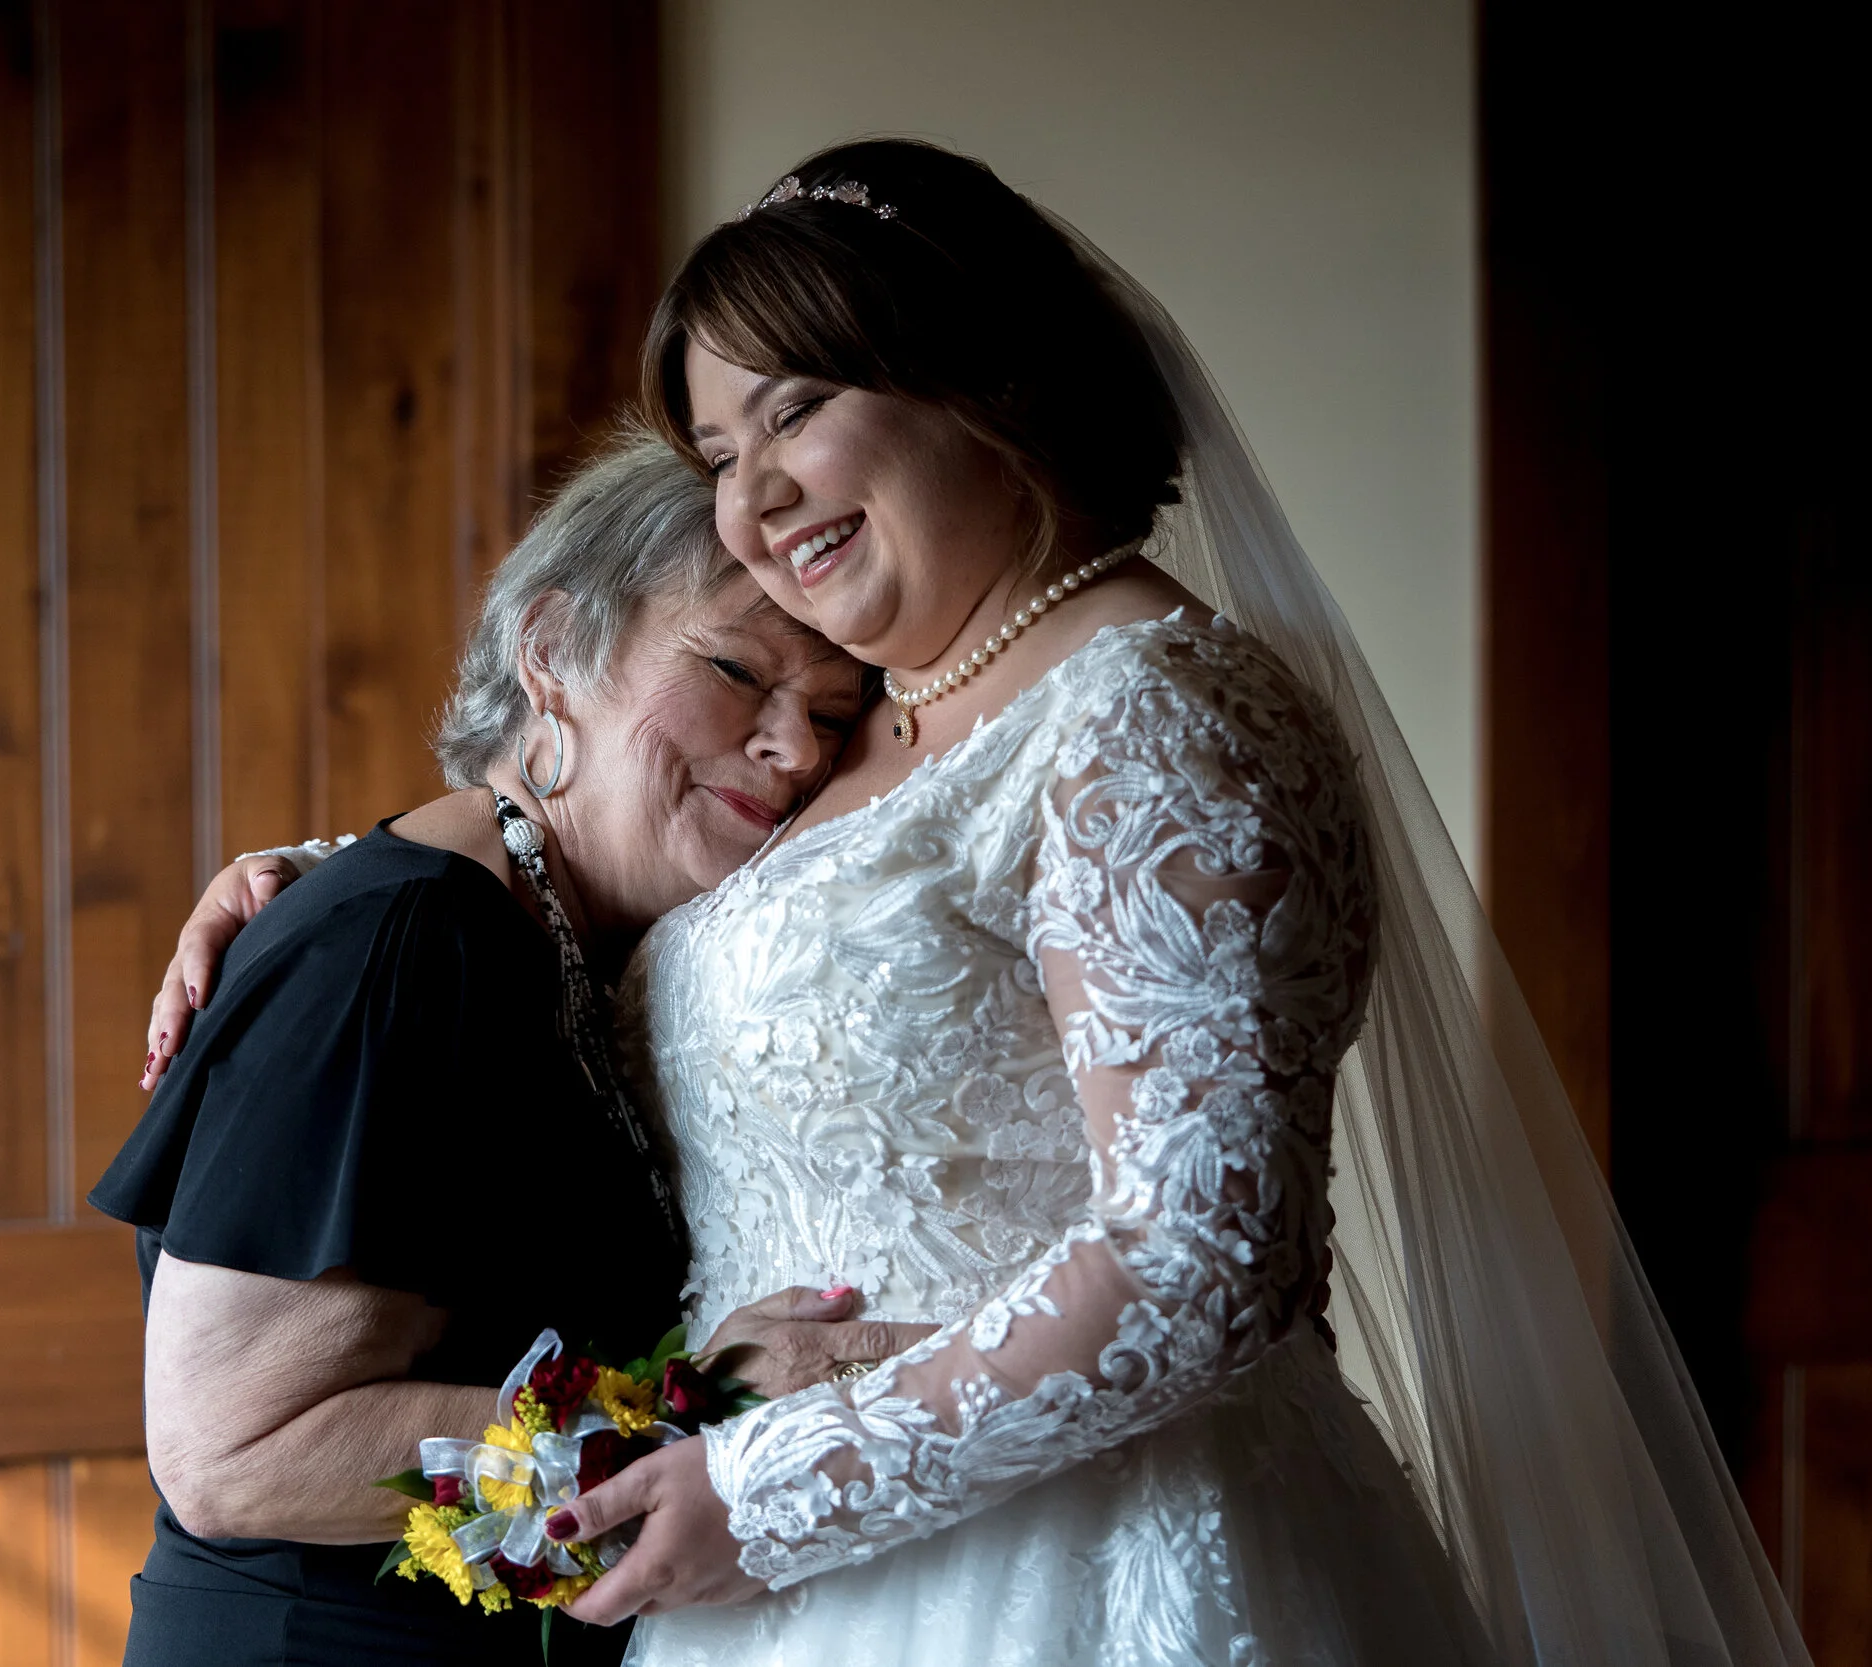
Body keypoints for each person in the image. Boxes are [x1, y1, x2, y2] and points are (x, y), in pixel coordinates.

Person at [149, 142, 1804, 1665]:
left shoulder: (1154, 711)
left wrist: (775, 1488)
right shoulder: (896, 718)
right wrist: (356, 886)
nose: (757, 495)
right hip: (776, 1582)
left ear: (986, 377)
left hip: (1063, 1563)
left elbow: (1209, 1258)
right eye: (725, 453)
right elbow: (669, 925)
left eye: (795, 410)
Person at [91, 432, 893, 1667]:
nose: (790, 749)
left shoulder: (553, 932)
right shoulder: (408, 941)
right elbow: (230, 1453)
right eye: (736, 669)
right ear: (554, 650)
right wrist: (694, 1412)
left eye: (831, 713)